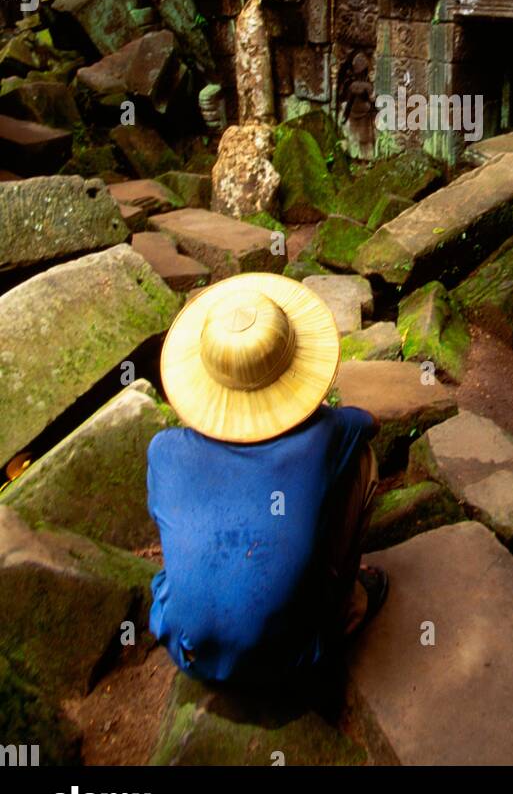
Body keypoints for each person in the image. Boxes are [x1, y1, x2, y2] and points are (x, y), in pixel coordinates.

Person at [146, 273, 387, 685]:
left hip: (188, 652)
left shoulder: (164, 450)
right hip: (290, 660)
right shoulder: (325, 435)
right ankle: (346, 605)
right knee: (363, 462)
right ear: (294, 368)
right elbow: (369, 423)